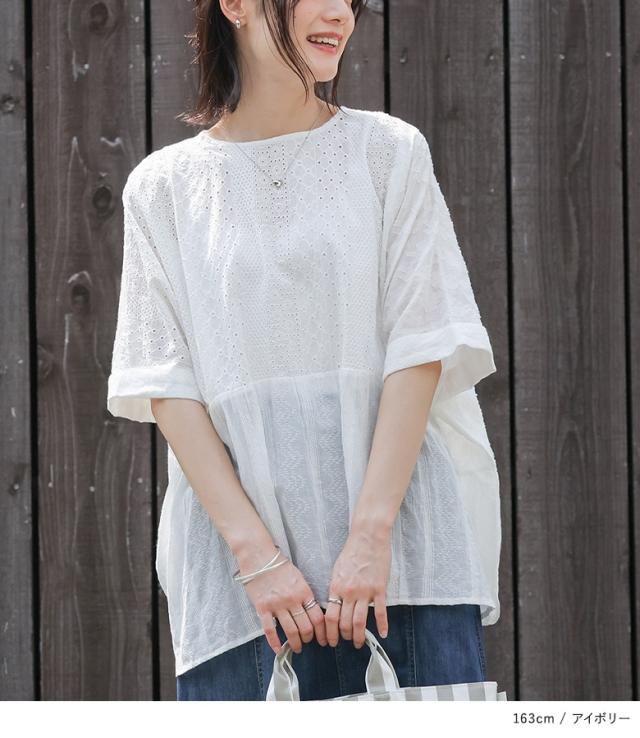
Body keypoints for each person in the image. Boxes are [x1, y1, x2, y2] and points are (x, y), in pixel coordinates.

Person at [106, 0, 501, 701]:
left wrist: (371, 538)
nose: (339, 12)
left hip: (401, 564)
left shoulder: (388, 152)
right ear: (235, 5)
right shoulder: (163, 189)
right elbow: (169, 386)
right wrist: (259, 563)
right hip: (242, 589)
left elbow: (421, 346)